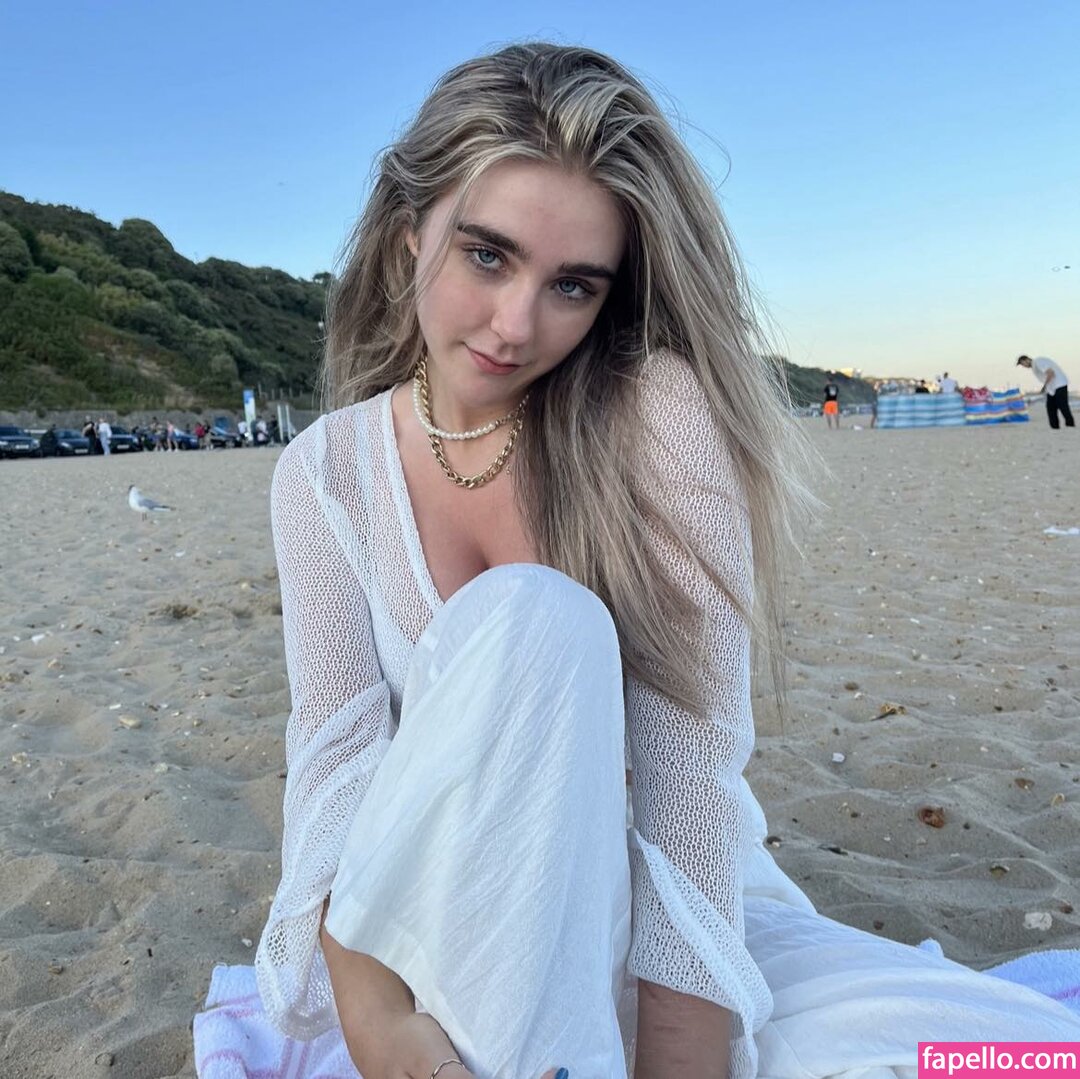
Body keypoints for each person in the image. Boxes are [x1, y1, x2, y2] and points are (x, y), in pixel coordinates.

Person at [240, 43, 1080, 1079]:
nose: (516, 325)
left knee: (1011, 1056)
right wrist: (389, 1032)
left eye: (572, 284)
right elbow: (337, 776)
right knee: (533, 621)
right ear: (411, 231)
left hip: (680, 913)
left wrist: (681, 1059)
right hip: (440, 933)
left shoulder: (652, 420)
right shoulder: (326, 473)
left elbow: (688, 774)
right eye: (487, 255)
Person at [1016, 354, 1074, 429]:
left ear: (1026, 360)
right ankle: (1055, 428)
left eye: (1022, 363)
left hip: (1059, 384)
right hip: (1052, 388)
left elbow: (1050, 373)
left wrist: (1044, 387)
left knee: (1063, 406)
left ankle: (1070, 425)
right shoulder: (1035, 365)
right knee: (1051, 407)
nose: (1023, 366)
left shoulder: (1038, 361)